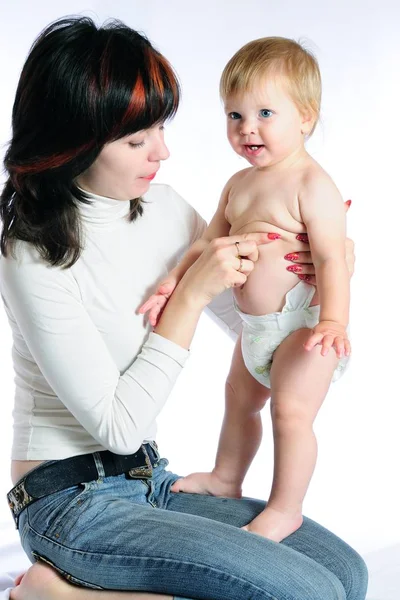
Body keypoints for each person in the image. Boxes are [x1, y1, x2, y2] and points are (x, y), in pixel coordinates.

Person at [0, 16, 367, 600]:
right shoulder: (31, 253)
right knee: (306, 593)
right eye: (137, 140)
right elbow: (117, 427)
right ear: (73, 142)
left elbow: (249, 324)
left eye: (161, 130)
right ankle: (56, 593)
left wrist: (319, 272)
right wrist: (190, 294)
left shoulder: (165, 207)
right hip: (67, 501)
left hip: (149, 481)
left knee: (346, 575)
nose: (164, 153)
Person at [140, 36, 351, 543]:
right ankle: (226, 477)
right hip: (257, 331)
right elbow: (209, 240)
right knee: (239, 400)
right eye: (234, 115)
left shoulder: (311, 183)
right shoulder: (238, 183)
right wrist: (171, 282)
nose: (246, 128)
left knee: (290, 412)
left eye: (263, 112)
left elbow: (331, 257)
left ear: (306, 118)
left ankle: (285, 507)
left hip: (305, 331)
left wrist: (333, 321)